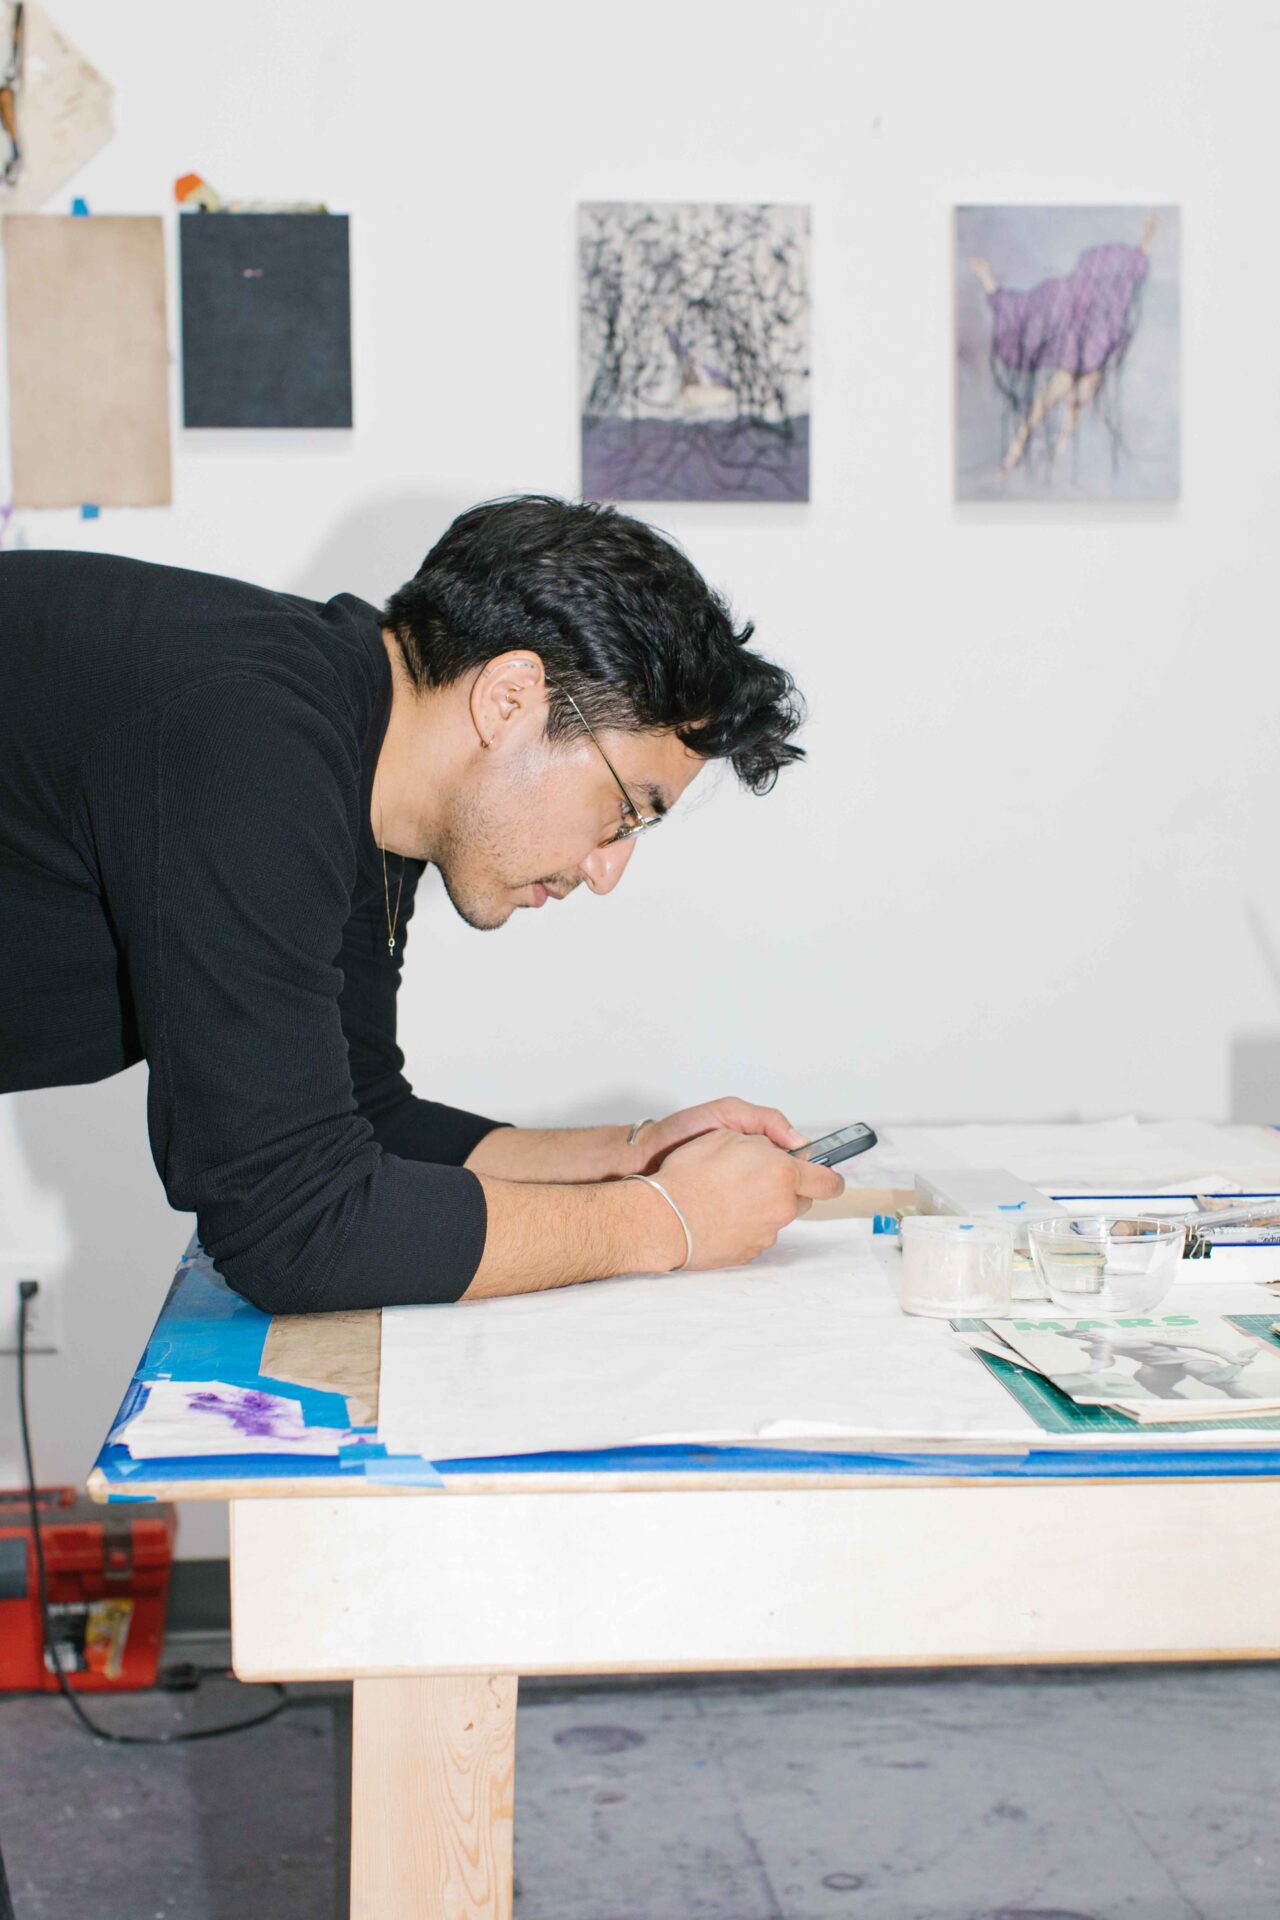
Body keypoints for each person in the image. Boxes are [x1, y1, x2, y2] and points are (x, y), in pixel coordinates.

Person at [0, 496, 841, 1314]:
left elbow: (362, 1110)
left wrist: (635, 1157)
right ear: (510, 699)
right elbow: (293, 1226)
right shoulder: (253, 742)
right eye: (626, 809)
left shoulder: (363, 767)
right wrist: (666, 1222)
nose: (608, 868)